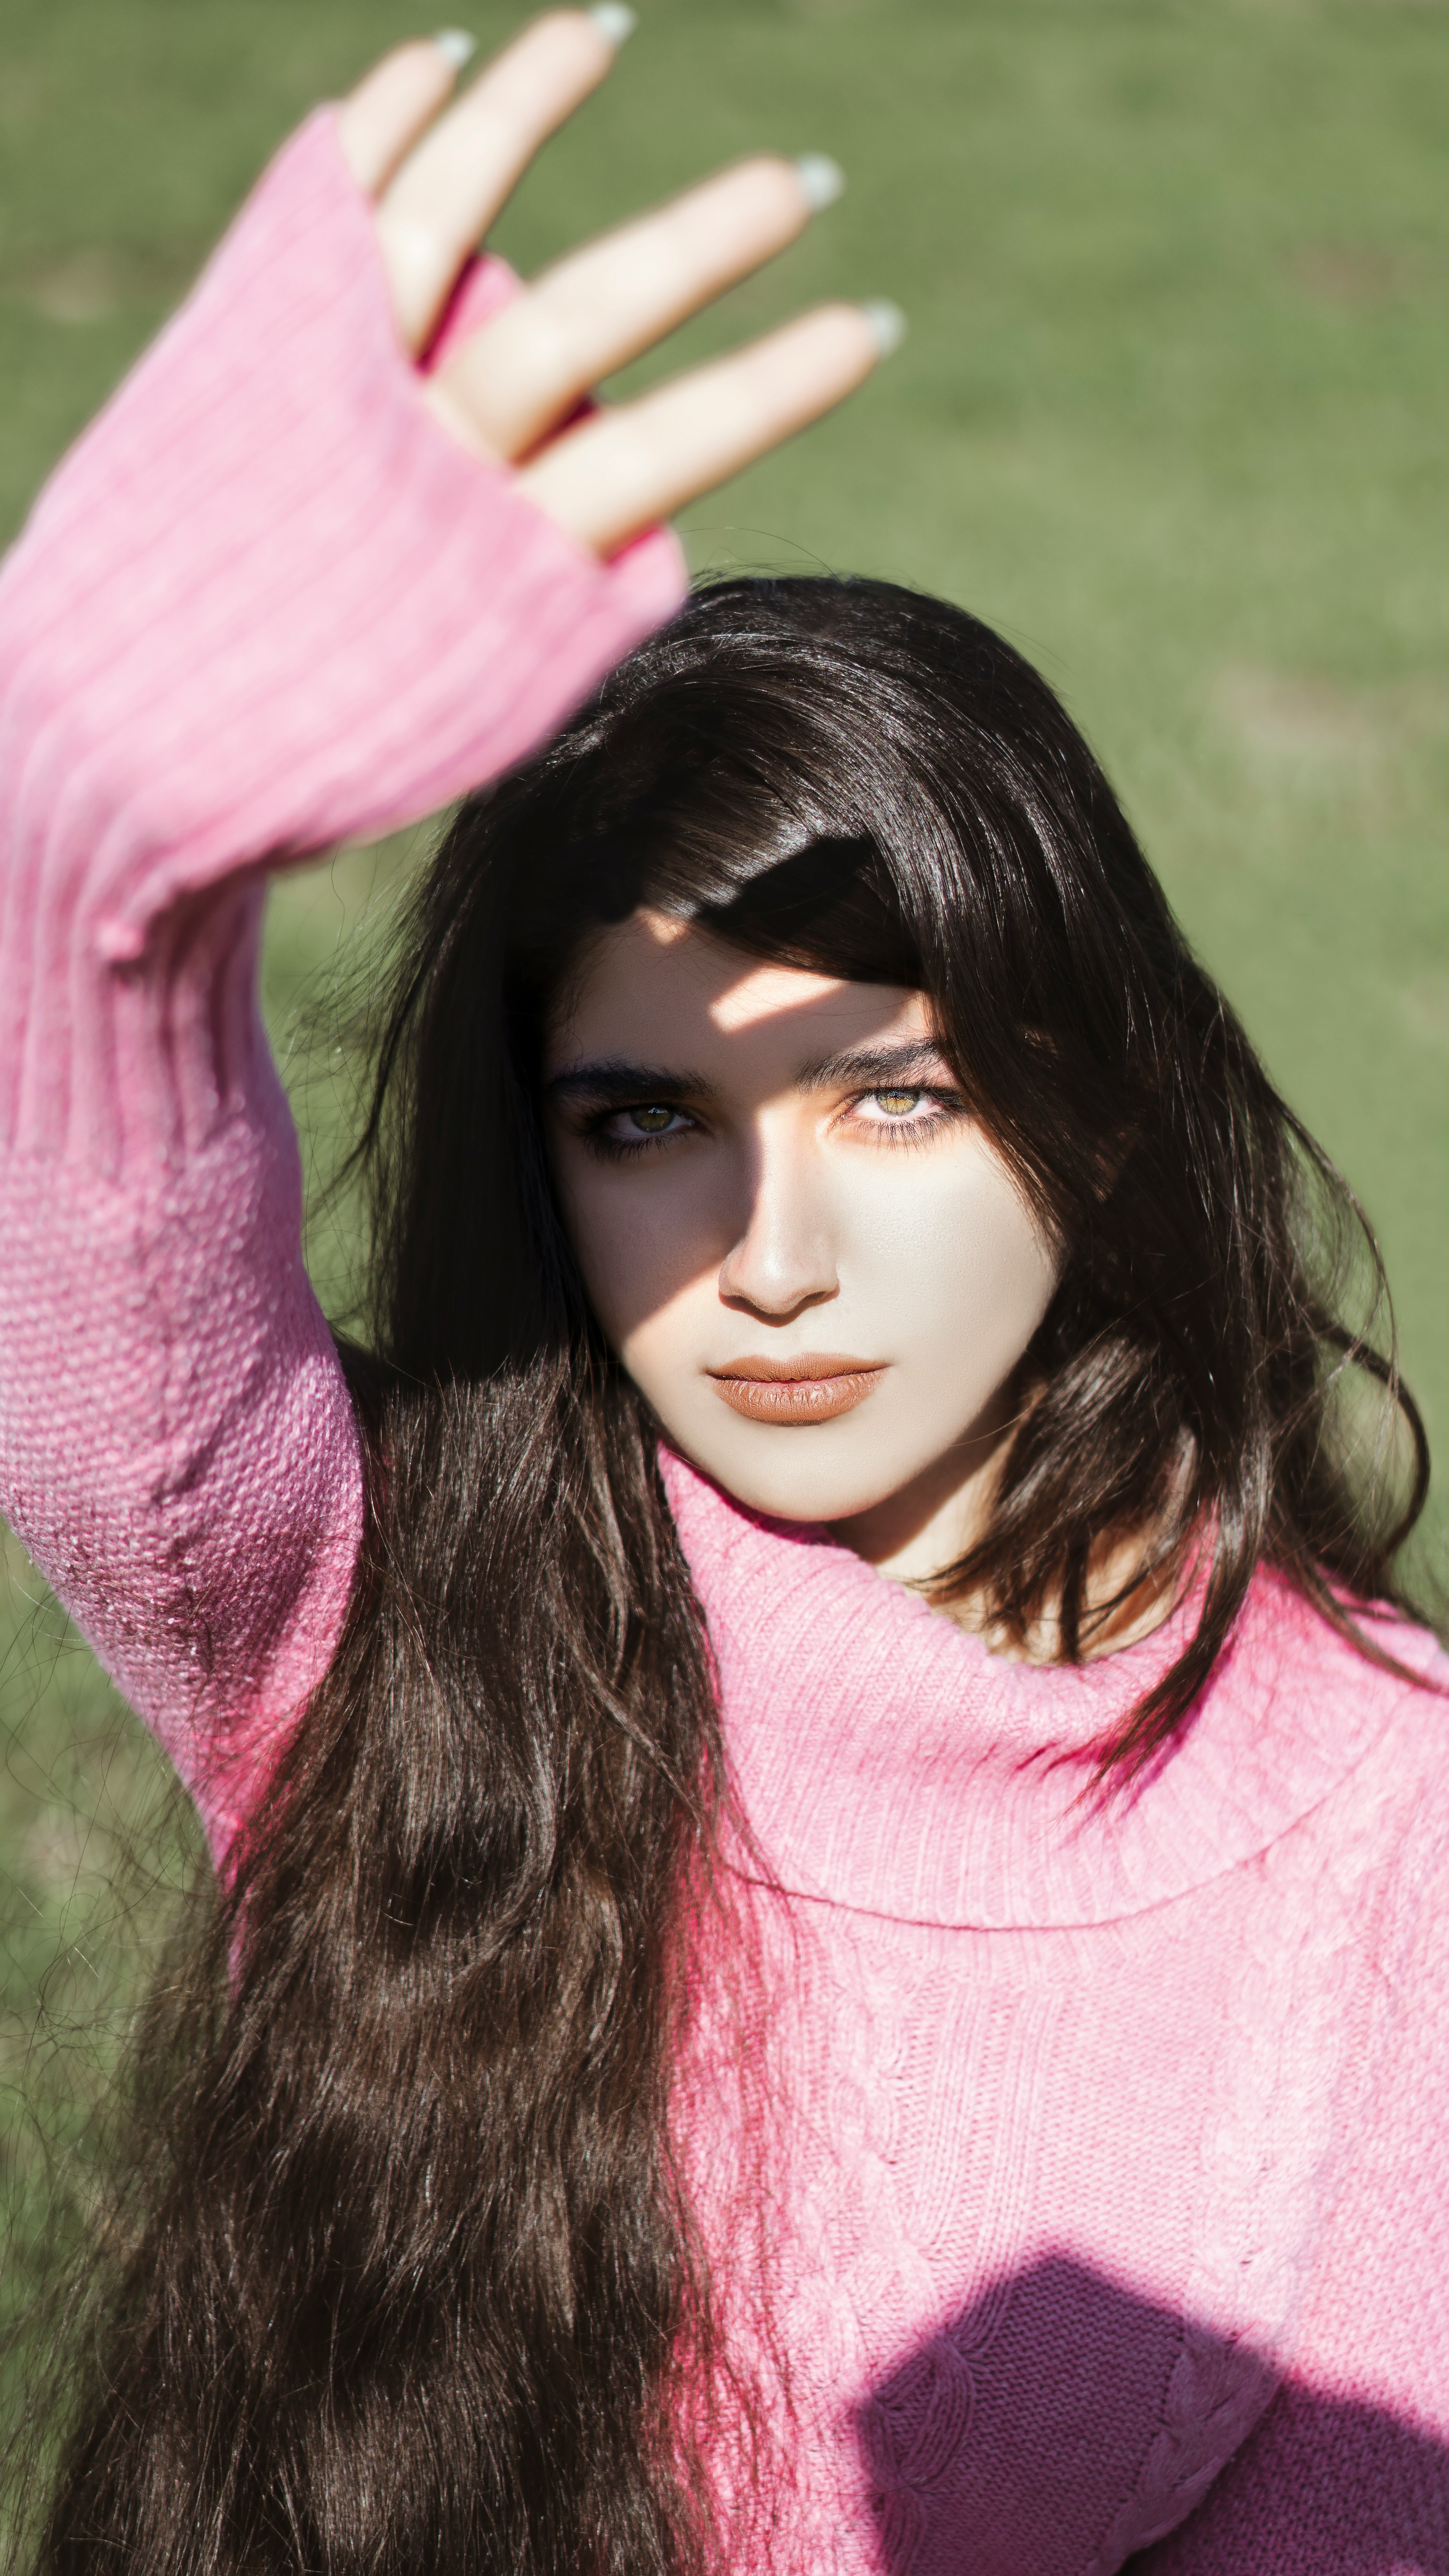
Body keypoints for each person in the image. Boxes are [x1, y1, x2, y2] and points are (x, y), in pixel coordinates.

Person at [1, 12, 1446, 2572]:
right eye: (643, 1120)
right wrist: (74, 851)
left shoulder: (1388, 1814)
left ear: (1096, 1109)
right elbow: (114, 1350)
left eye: (895, 1098)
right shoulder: (384, 1614)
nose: (772, 1258)